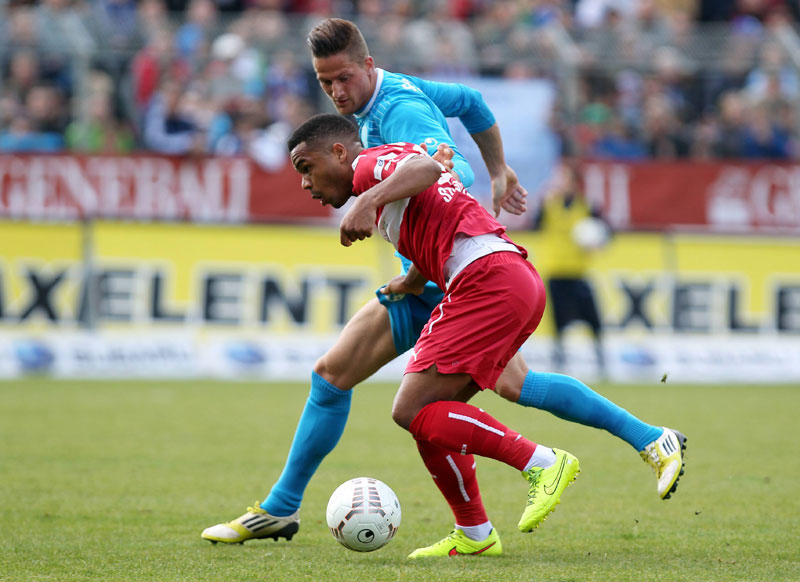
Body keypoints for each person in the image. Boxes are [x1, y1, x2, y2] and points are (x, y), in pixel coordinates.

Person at [201, 18, 686, 552]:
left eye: (343, 79)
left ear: (368, 66)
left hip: (465, 270)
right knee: (479, 388)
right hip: (442, 268)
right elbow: (472, 101)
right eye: (324, 83)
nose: (337, 92)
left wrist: (376, 198)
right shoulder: (388, 97)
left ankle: (289, 507)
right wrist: (499, 169)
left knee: (393, 396)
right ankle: (624, 451)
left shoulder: (395, 112)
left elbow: (440, 166)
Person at [288, 113, 581, 557]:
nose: (305, 184)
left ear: (339, 152)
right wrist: (410, 281)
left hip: (488, 280)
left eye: (306, 167)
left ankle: (541, 462)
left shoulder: (368, 167)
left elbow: (426, 169)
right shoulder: (387, 185)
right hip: (505, 279)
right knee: (432, 418)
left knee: (410, 408)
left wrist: (366, 202)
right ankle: (476, 533)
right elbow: (434, 208)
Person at [533, 160, 609, 374]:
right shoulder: (548, 204)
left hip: (578, 272)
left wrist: (597, 242)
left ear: (574, 183)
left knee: (593, 319)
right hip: (556, 271)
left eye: (564, 178)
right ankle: (559, 362)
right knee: (558, 322)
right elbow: (535, 225)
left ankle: (602, 362)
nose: (559, 183)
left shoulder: (587, 206)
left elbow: (606, 233)